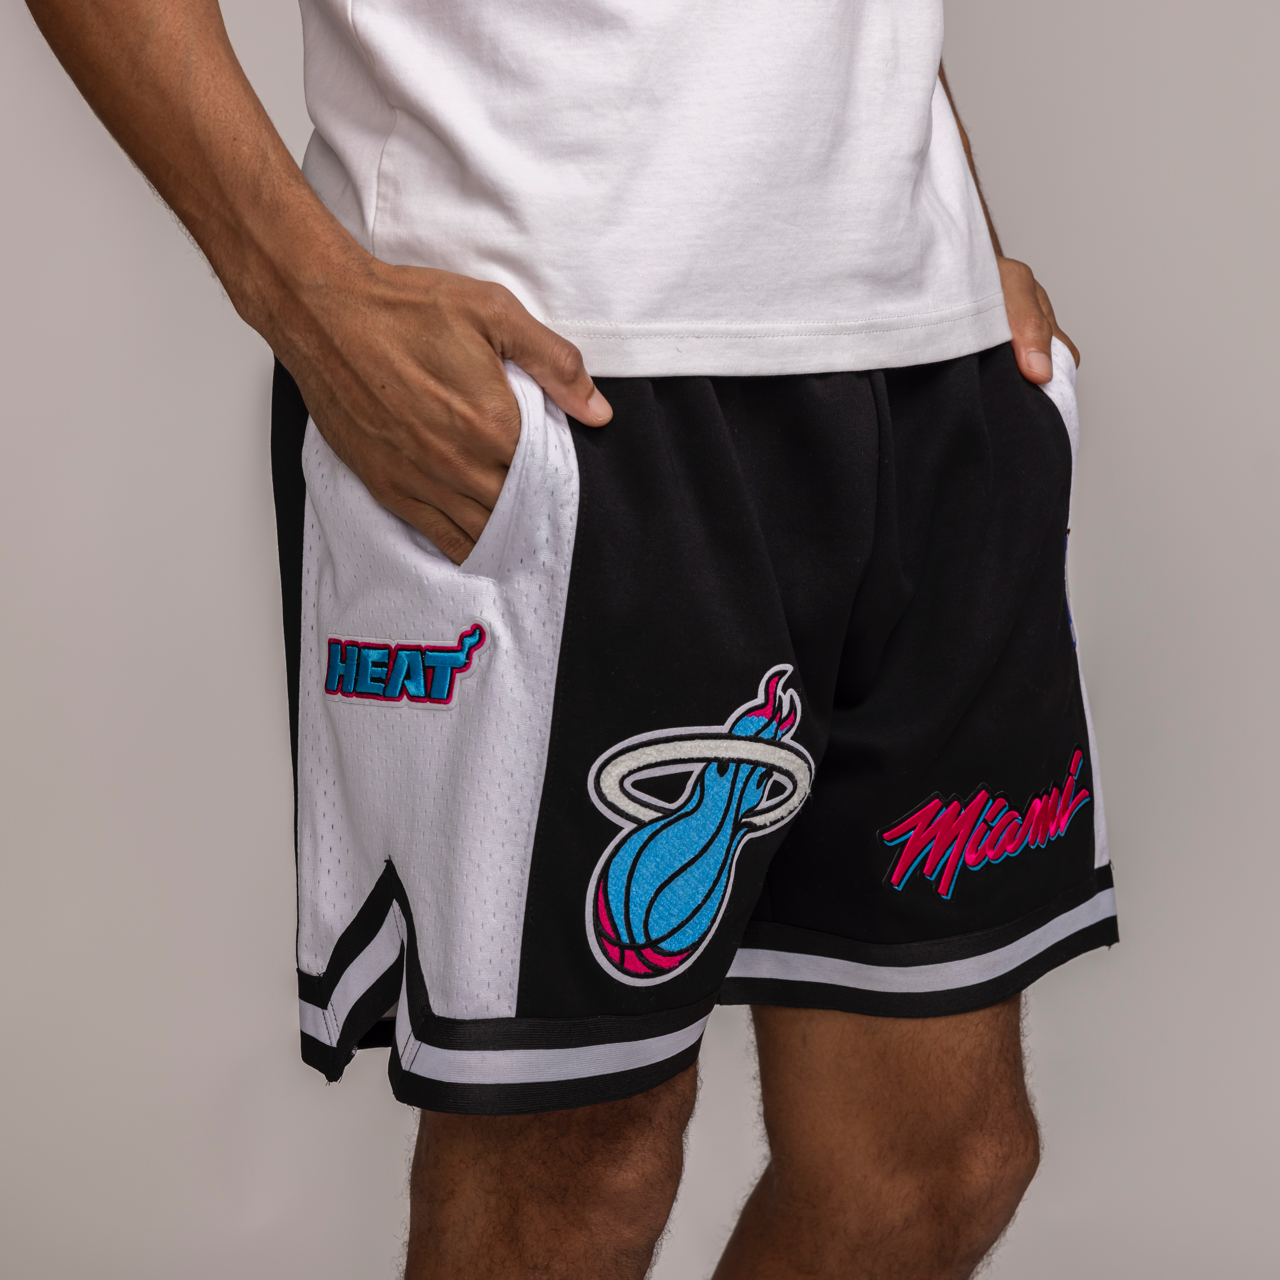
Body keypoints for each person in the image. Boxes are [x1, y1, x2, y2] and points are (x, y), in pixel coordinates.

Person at [26, 1, 1118, 1275]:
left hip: (923, 352)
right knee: (574, 1177)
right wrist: (307, 293)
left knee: (931, 1161)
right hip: (557, 361)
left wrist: (949, 222)